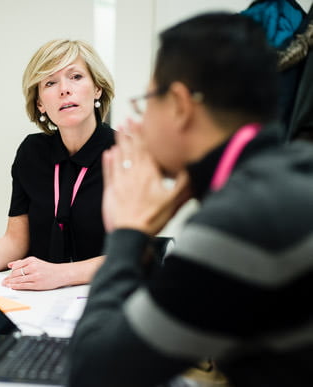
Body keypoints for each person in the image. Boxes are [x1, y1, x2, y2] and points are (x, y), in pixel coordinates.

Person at [69, 12, 313, 387]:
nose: (140, 123)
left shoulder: (241, 219)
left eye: (148, 101)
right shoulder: (285, 175)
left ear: (180, 105)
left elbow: (94, 374)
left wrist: (128, 233)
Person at [0, 39, 115, 290]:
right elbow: (16, 239)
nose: (64, 90)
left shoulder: (126, 153)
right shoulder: (31, 152)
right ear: (40, 104)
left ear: (98, 88)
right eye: (50, 82)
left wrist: (62, 274)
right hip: (40, 297)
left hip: (105, 293)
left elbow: (136, 252)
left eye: (76, 77)